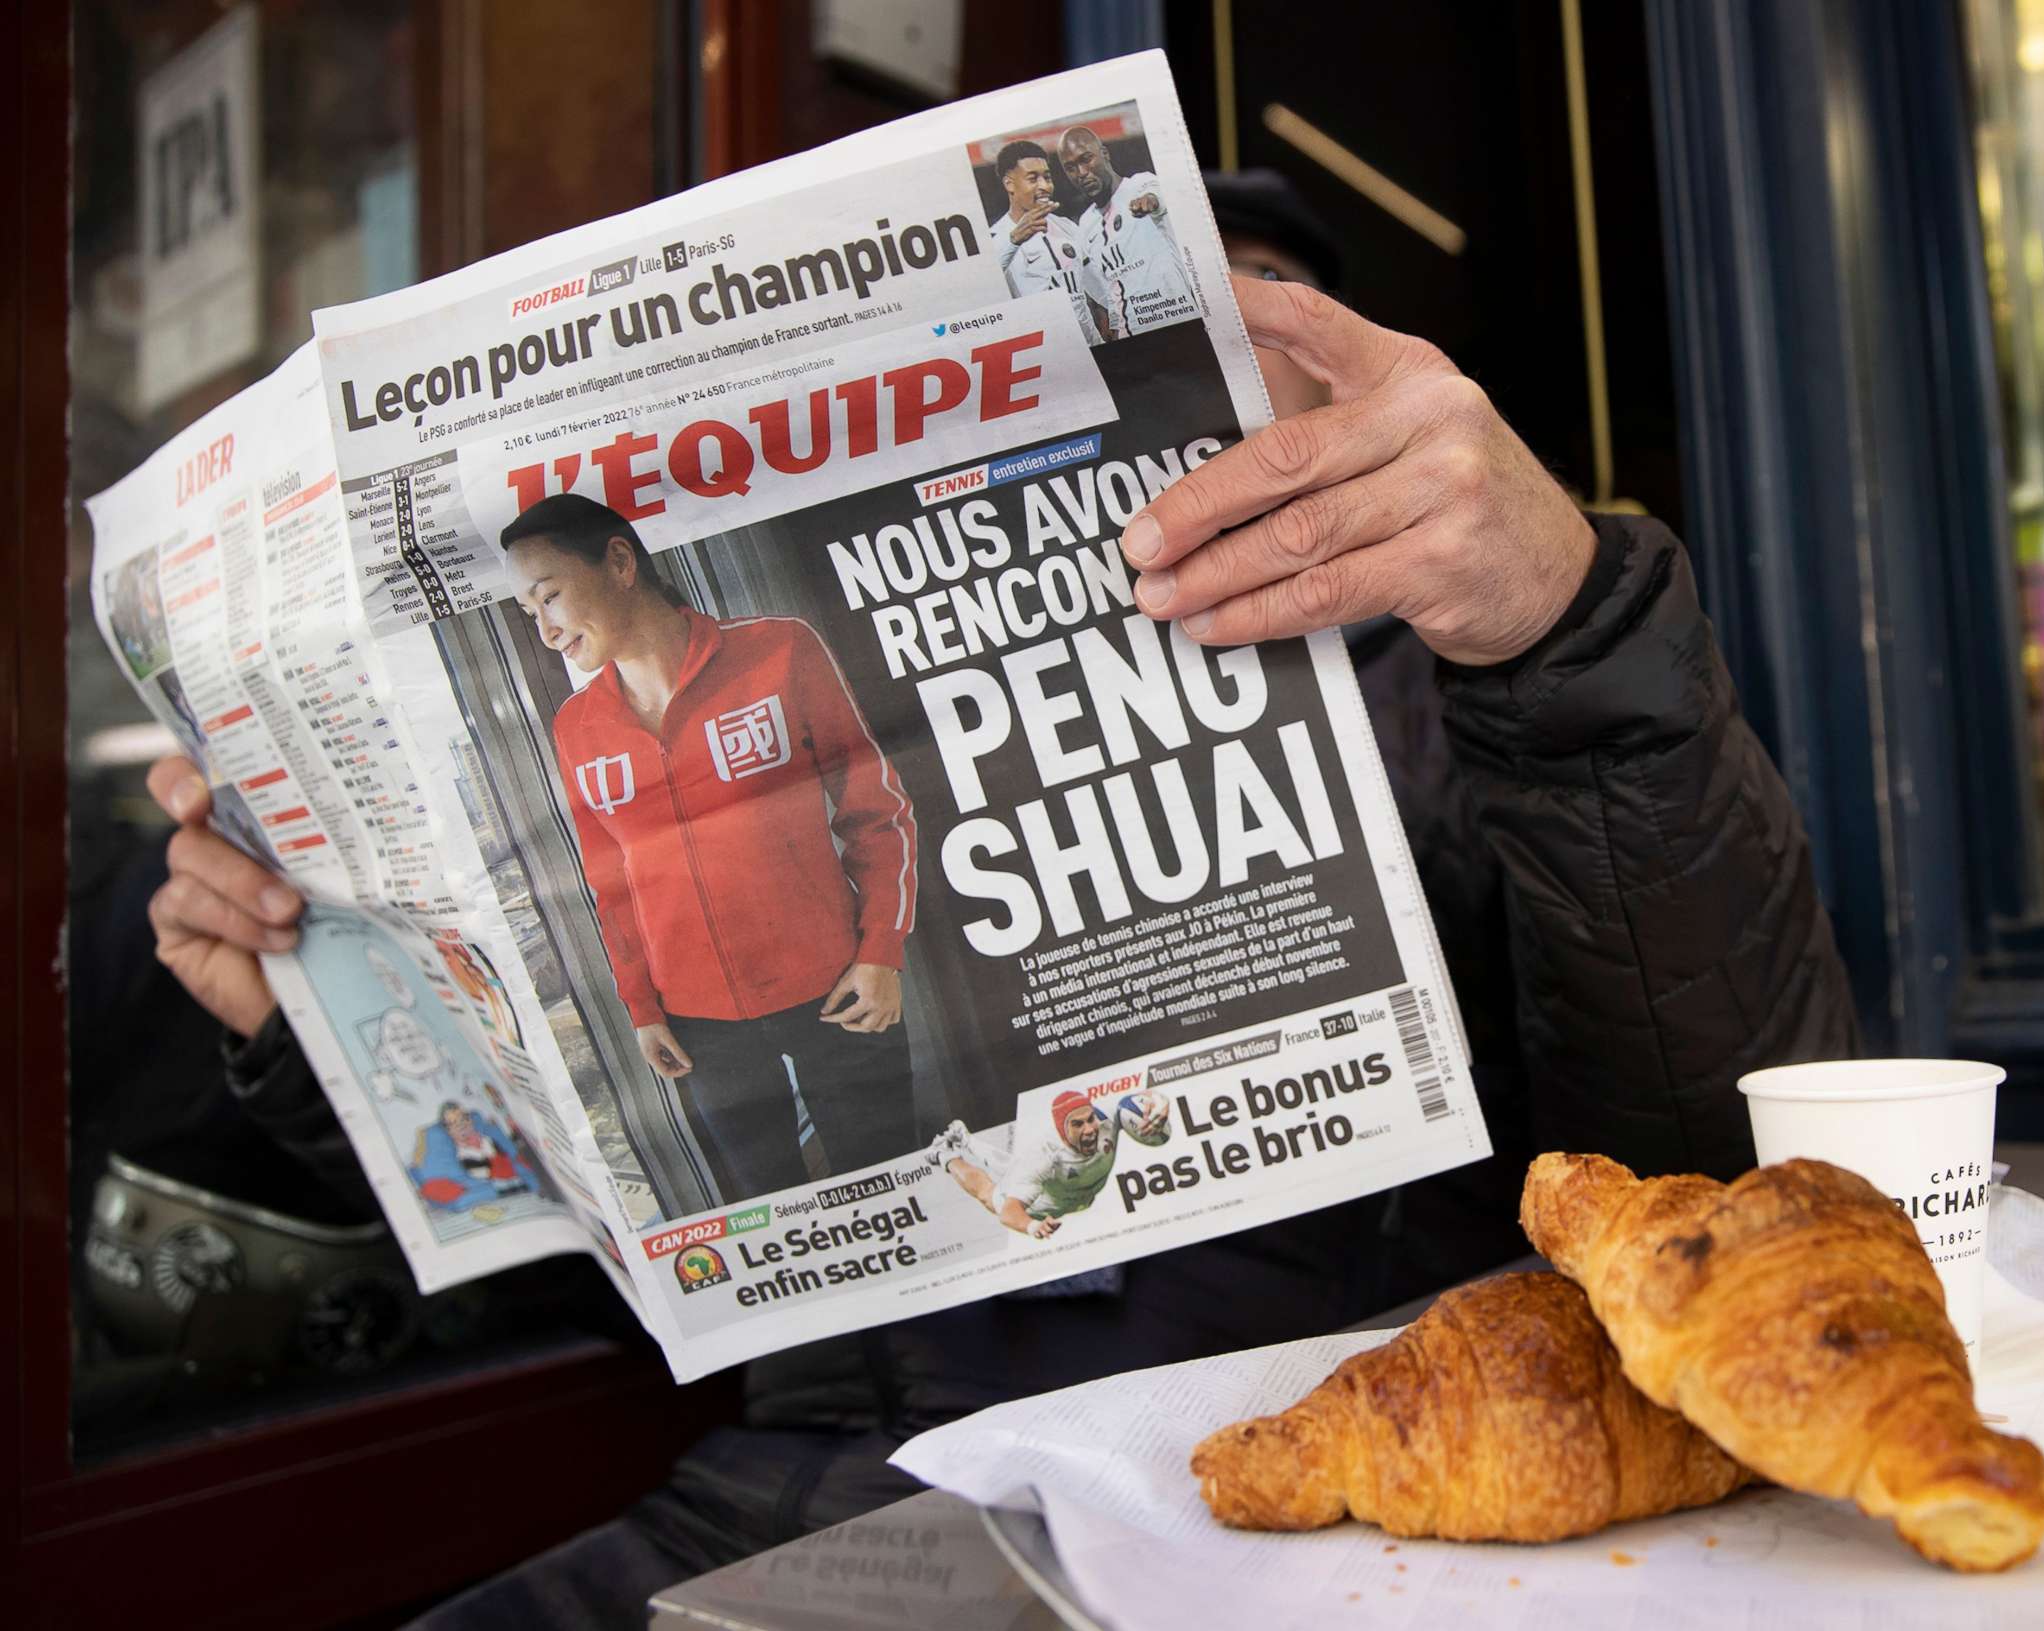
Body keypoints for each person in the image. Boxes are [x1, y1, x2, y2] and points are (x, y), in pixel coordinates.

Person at [143, 252, 1858, 1623]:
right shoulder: (683, 727)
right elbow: (621, 1277)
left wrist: (1576, 643)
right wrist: (319, 1027)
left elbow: (1738, 1152)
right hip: (823, 1483)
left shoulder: (1452, 704)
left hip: (1284, 1478)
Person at [503, 492, 921, 1200]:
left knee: (896, 1191)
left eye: (550, 597)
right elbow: (609, 883)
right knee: (766, 1213)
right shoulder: (577, 726)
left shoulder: (780, 648)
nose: (545, 629)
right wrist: (641, 1007)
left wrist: (881, 950)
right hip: (700, 1030)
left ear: (620, 561)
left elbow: (876, 808)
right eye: (528, 613)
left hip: (838, 988)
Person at [1057, 123, 1199, 338]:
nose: (1082, 173)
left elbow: (1157, 196)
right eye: (1071, 168)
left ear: (1104, 154)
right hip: (1131, 335)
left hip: (1180, 322)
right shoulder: (1086, 224)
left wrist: (1150, 202)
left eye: (1086, 159)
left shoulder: (1141, 184)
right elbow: (1103, 287)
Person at [925, 1094, 1118, 1239]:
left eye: (1091, 1119)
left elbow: (1134, 1101)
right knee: (988, 1196)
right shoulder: (1044, 1158)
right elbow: (1009, 1213)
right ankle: (945, 1154)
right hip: (1039, 1206)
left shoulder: (1106, 1120)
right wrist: (1032, 1225)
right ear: (1062, 1129)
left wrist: (1148, 1109)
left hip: (1060, 1190)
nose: (1090, 1129)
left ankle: (965, 1139)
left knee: (1010, 1167)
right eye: (1077, 1124)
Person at [986, 138, 1115, 344]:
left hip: (1092, 344)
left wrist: (1115, 319)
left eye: (1047, 177)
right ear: (1009, 184)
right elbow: (984, 291)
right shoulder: (995, 239)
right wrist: (1013, 241)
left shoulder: (1067, 227)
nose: (1044, 186)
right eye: (1033, 178)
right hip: (1047, 354)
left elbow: (1095, 282)